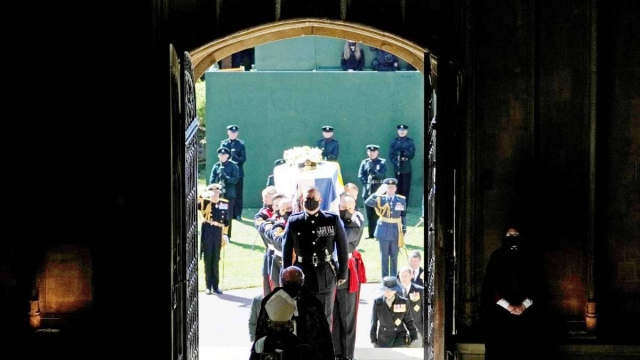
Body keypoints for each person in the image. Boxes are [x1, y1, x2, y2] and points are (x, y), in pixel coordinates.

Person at [481, 220, 562, 360]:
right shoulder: (497, 256)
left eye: (516, 234)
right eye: (509, 234)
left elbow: (539, 286)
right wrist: (509, 306)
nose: (512, 237)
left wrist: (522, 306)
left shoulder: (531, 256)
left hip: (528, 318)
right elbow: (490, 286)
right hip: (500, 319)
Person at [282, 185, 349, 327]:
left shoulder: (332, 220)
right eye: (307, 198)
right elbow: (286, 250)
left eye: (313, 198)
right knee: (302, 317)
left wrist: (343, 273)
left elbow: (343, 248)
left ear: (320, 199)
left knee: (324, 317)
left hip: (325, 273)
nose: (310, 200)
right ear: (302, 201)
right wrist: (287, 276)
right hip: (302, 274)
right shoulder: (294, 221)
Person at [254, 266, 335, 360]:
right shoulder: (272, 301)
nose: (292, 286)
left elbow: (320, 336)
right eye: (289, 283)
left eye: (295, 283)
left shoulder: (311, 303)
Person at [332, 194, 366, 360]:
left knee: (347, 319)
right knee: (334, 317)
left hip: (348, 276)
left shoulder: (356, 220)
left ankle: (347, 355)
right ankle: (336, 351)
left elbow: (343, 237)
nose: (347, 211)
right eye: (343, 208)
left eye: (350, 208)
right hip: (332, 273)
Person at [249, 288, 318, 360]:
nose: (278, 329)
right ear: (269, 323)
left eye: (282, 326)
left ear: (289, 324)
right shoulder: (260, 345)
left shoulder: (300, 347)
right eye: (275, 325)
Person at [365, 178, 406, 278]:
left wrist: (404, 230)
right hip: (383, 231)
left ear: (395, 188)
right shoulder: (380, 199)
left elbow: (403, 215)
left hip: (395, 231)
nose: (390, 190)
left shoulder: (401, 199)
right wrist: (377, 193)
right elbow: (368, 202)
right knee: (384, 256)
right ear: (385, 189)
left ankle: (393, 278)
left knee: (394, 256)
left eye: (392, 188)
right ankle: (384, 278)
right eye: (388, 188)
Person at [197, 183, 230, 295]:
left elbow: (226, 221)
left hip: (218, 232)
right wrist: (203, 195)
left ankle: (216, 285)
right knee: (208, 258)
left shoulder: (224, 203)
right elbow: (193, 203)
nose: (215, 194)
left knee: (216, 259)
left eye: (217, 192)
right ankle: (208, 286)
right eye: (213, 192)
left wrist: (225, 235)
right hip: (208, 230)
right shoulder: (204, 202)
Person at [370, 276, 418, 348]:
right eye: (385, 290)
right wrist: (373, 339)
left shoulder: (403, 301)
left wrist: (413, 336)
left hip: (399, 336)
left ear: (396, 290)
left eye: (391, 290)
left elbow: (408, 320)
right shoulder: (377, 302)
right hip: (383, 338)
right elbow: (373, 322)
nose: (388, 292)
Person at [260, 196, 293, 288]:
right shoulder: (277, 223)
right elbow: (279, 238)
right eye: (283, 209)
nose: (287, 211)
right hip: (279, 261)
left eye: (289, 208)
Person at [209, 146, 240, 240]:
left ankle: (227, 235)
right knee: (216, 214)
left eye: (224, 155)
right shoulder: (216, 166)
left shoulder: (233, 166)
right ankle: (217, 233)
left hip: (229, 194)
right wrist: (218, 182)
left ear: (228, 156)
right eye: (221, 155)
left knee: (228, 215)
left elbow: (236, 179)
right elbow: (211, 180)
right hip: (217, 194)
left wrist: (226, 178)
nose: (222, 156)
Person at [253, 185, 279, 296]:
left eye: (267, 197)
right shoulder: (262, 214)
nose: (265, 200)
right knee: (269, 290)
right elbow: (262, 227)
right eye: (264, 198)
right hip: (271, 253)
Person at [358, 144, 387, 239]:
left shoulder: (382, 162)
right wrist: (366, 184)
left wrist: (374, 171)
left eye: (373, 151)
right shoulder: (364, 162)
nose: (371, 153)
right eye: (370, 152)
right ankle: (371, 234)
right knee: (369, 213)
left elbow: (383, 176)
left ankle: (378, 234)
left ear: (377, 152)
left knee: (377, 213)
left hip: (378, 189)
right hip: (367, 190)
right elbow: (360, 175)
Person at [220, 125, 246, 221]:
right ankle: (226, 213)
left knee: (238, 194)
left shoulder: (241, 144)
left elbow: (243, 159)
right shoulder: (224, 144)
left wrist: (236, 158)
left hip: (238, 173)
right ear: (228, 133)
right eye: (231, 132)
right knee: (226, 193)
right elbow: (221, 157)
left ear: (237, 133)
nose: (233, 134)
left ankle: (238, 214)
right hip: (226, 173)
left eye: (235, 132)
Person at [388, 124, 416, 206]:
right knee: (397, 187)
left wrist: (404, 152)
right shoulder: (394, 142)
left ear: (406, 131)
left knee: (405, 188)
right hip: (397, 167)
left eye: (403, 130)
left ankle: (404, 206)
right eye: (400, 130)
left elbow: (412, 155)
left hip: (406, 166)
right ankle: (397, 206)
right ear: (398, 131)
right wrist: (396, 163)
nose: (402, 132)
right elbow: (391, 155)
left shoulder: (410, 141)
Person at [397, 266, 425, 348]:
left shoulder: (420, 290)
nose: (404, 278)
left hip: (416, 329)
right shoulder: (394, 291)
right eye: (402, 276)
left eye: (406, 276)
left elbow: (424, 310)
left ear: (411, 276)